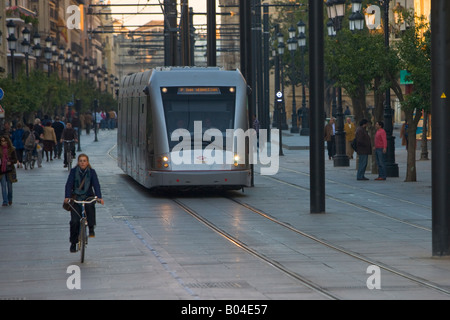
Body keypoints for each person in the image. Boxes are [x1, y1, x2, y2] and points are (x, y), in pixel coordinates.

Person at [64, 154, 104, 252]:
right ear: (78, 162)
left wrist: (99, 197)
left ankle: (91, 227)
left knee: (90, 206)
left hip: (88, 196)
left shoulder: (92, 172)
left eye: (84, 161)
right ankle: (73, 243)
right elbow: (69, 184)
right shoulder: (73, 172)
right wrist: (67, 196)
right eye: (81, 161)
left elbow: (96, 185)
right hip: (76, 198)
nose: (82, 162)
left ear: (87, 162)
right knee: (74, 222)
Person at [0, 137, 18, 206]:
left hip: (10, 170)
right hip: (1, 170)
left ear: (7, 141)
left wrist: (10, 162)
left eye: (4, 141)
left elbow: (15, 160)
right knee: (3, 186)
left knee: (9, 186)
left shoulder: (12, 149)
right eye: (1, 141)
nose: (3, 142)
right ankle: (5, 201)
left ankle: (10, 199)